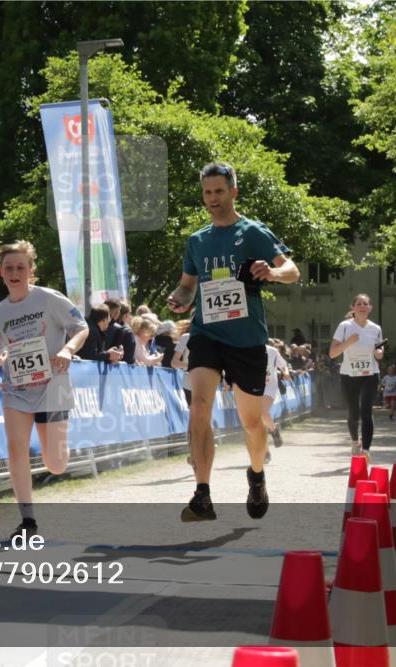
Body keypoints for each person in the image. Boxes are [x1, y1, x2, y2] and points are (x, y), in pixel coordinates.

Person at [166, 161, 299, 521]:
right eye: (207, 192)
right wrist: (179, 298)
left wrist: (272, 271)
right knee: (199, 409)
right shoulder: (197, 240)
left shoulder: (252, 232)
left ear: (233, 191)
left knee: (252, 423)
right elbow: (188, 284)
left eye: (219, 191)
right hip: (207, 334)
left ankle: (256, 475)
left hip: (246, 339)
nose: (212, 199)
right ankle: (203, 495)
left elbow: (292, 270)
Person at [0, 240, 89, 540]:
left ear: (31, 270)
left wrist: (68, 350)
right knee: (16, 448)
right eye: (9, 268)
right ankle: (28, 522)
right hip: (17, 389)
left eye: (20, 267)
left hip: (53, 384)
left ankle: (58, 449)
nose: (15, 273)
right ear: (1, 272)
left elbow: (81, 328)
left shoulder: (49, 299)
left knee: (55, 464)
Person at [329, 293, 384, 461]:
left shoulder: (376, 328)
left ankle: (366, 450)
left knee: (366, 412)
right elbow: (332, 353)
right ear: (353, 308)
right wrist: (349, 342)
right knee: (353, 413)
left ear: (370, 308)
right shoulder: (345, 326)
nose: (362, 306)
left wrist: (378, 352)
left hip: (370, 374)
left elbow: (380, 354)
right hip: (349, 375)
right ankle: (355, 442)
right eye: (359, 303)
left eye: (365, 303)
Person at [262, 340, 291, 456]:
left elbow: (283, 365)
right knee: (259, 421)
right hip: (253, 386)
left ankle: (274, 431)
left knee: (262, 412)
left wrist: (286, 372)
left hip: (269, 386)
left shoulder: (272, 351)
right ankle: (265, 451)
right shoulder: (246, 350)